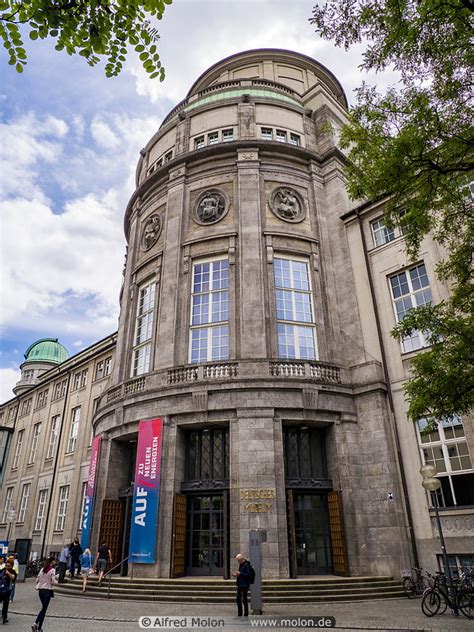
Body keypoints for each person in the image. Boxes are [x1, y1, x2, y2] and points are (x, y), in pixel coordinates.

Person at [32, 556, 57, 632]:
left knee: (43, 608)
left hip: (40, 591)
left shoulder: (43, 569)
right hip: (47, 591)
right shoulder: (52, 570)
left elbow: (37, 580)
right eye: (54, 561)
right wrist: (57, 582)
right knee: (44, 609)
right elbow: (53, 581)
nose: (55, 562)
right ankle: (36, 624)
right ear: (52, 562)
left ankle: (38, 627)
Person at [233, 553, 253, 617]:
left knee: (244, 600)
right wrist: (237, 574)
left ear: (242, 559)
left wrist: (240, 573)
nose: (238, 562)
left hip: (245, 584)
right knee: (238, 599)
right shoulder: (241, 565)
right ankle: (240, 613)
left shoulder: (246, 565)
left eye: (238, 560)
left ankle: (245, 614)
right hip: (240, 584)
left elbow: (248, 574)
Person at [0, 559, 17, 624]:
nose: (7, 567)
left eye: (9, 566)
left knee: (5, 605)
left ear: (11, 565)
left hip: (7, 591)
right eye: (6, 565)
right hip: (1, 589)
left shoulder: (13, 571)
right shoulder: (2, 570)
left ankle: (4, 618)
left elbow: (13, 578)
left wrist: (9, 573)